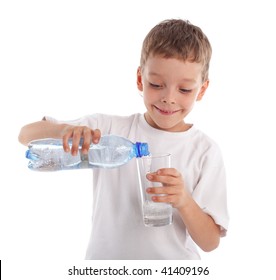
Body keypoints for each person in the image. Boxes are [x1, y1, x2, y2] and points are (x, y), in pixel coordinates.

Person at [18, 19, 229, 259]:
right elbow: (25, 135)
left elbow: (210, 242)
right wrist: (64, 131)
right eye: (156, 84)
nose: (168, 98)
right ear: (140, 79)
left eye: (184, 90)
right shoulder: (108, 130)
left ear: (201, 90)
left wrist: (184, 201)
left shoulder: (204, 150)